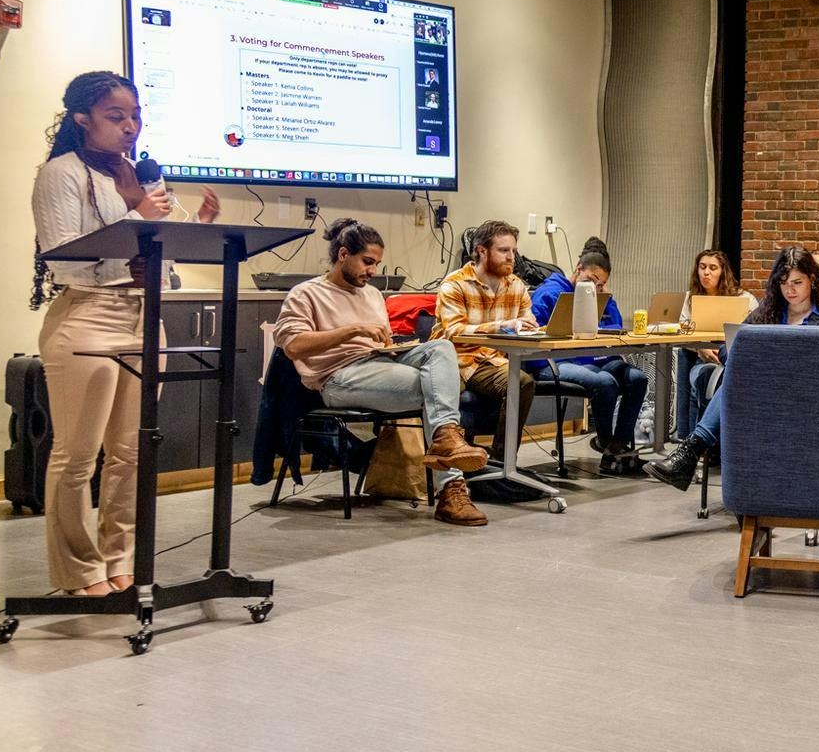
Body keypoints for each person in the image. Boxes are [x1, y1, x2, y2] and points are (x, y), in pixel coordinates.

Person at [29, 71, 220, 594]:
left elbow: (153, 251)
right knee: (77, 455)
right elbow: (63, 253)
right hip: (87, 314)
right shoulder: (60, 174)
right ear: (82, 119)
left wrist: (196, 229)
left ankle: (119, 561)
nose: (130, 127)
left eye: (135, 116)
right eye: (116, 117)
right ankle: (79, 570)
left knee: (133, 451)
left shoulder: (141, 174)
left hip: (143, 315)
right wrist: (136, 211)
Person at [273, 219, 489, 526]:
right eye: (368, 262)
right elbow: (293, 346)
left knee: (441, 349)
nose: (373, 271)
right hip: (338, 377)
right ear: (343, 254)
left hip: (380, 363)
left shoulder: (372, 295)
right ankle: (451, 489)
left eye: (376, 263)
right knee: (434, 388)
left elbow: (382, 340)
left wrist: (391, 346)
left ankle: (447, 440)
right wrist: (352, 331)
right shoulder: (306, 294)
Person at [649, 246, 819, 491]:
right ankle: (703, 463)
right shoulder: (768, 313)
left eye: (798, 282)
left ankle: (690, 453)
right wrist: (744, 353)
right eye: (784, 283)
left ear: (812, 280)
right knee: (739, 378)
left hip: (808, 397)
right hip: (764, 394)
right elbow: (727, 348)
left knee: (737, 383)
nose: (790, 290)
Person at [528, 238, 649, 473]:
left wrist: (605, 299)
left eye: (601, 284)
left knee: (637, 379)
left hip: (594, 359)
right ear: (578, 270)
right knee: (604, 382)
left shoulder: (600, 296)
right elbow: (532, 331)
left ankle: (617, 446)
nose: (595, 287)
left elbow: (616, 330)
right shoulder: (550, 293)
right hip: (554, 361)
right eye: (592, 280)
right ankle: (606, 446)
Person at [431, 219, 536, 453]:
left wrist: (531, 328)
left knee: (522, 382)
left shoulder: (516, 286)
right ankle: (453, 461)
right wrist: (502, 326)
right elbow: (454, 332)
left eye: (514, 251)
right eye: (504, 250)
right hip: (455, 360)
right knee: (440, 393)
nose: (511, 257)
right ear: (481, 251)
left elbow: (527, 324)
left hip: (491, 361)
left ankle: (502, 463)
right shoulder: (454, 284)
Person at [680, 247, 758, 413]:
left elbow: (756, 330)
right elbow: (682, 331)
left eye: (712, 268)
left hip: (734, 361)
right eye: (702, 267)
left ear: (723, 272)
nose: (706, 273)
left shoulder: (743, 298)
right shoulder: (689, 298)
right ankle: (698, 436)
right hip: (703, 360)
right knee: (703, 377)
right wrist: (700, 348)